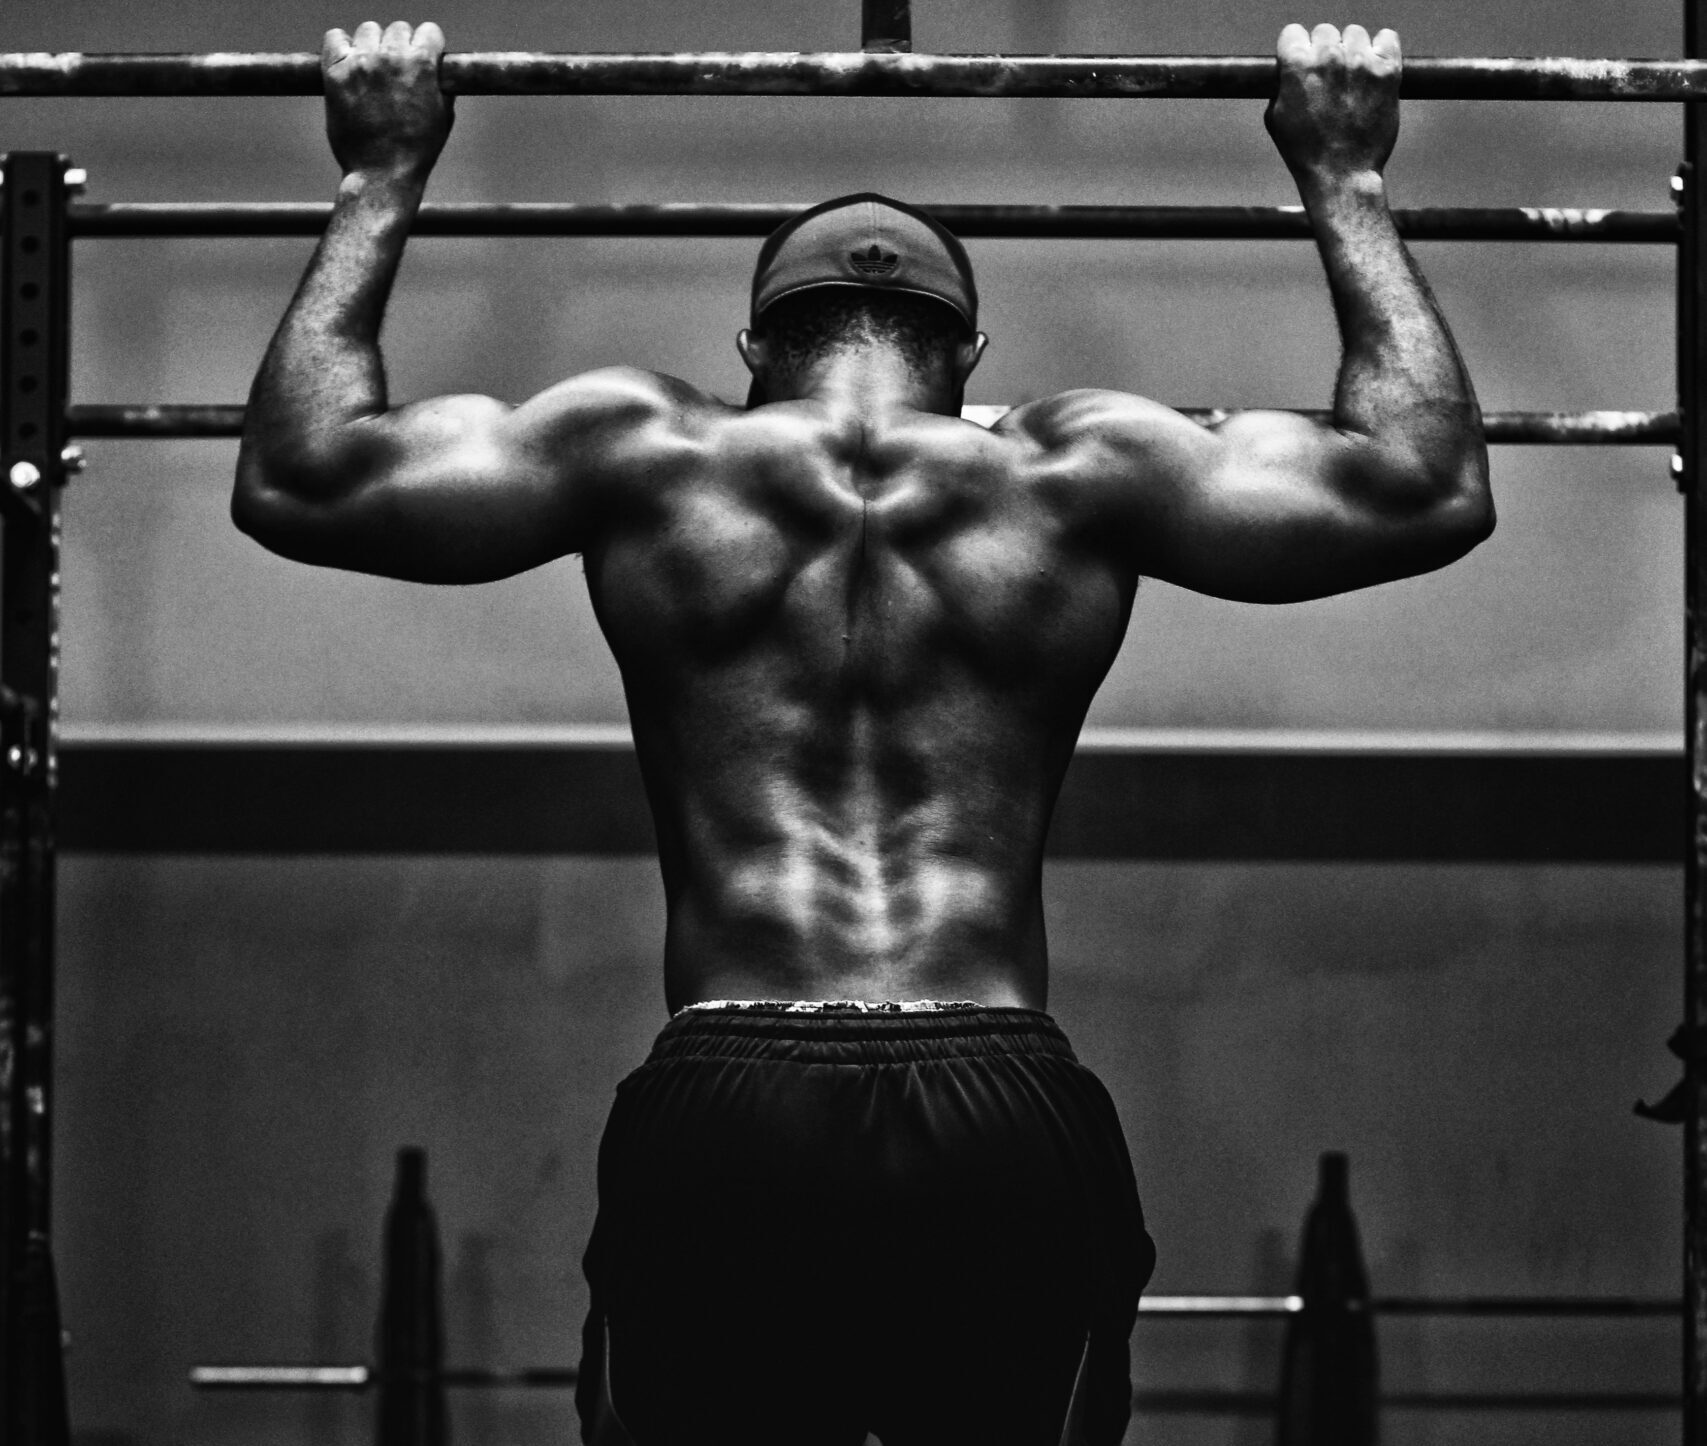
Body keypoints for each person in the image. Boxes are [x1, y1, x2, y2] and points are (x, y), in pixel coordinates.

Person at [232, 18, 1491, 1446]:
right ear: (969, 352)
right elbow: (1423, 483)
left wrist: (381, 171)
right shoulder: (1081, 465)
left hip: (731, 1092)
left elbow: (300, 474)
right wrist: (1345, 175)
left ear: (756, 345)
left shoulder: (644, 450)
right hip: (999, 1092)